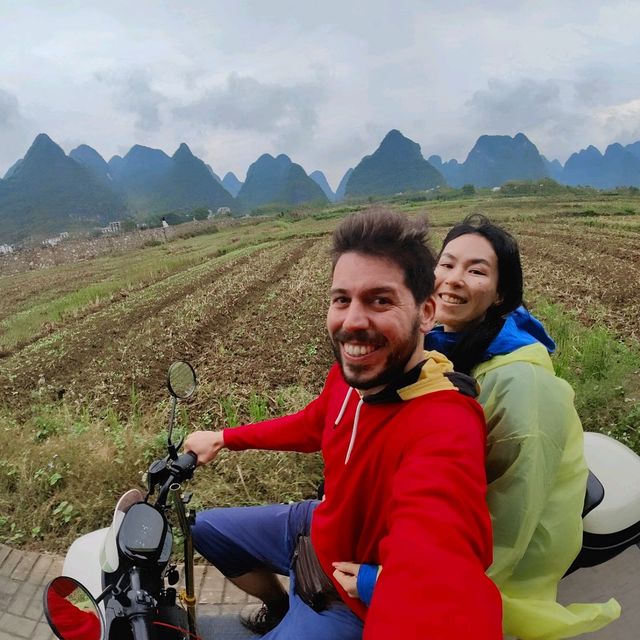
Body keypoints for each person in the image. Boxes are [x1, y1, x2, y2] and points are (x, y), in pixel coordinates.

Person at [185, 208, 502, 639]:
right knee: (206, 530)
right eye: (342, 299)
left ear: (426, 312)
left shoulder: (444, 422)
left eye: (380, 300)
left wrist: (379, 584)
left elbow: (443, 580)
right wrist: (225, 437)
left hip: (346, 597)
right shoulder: (355, 374)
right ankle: (278, 608)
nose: (352, 321)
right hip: (316, 526)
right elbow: (314, 423)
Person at [333, 214, 621, 640]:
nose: (453, 279)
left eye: (476, 270)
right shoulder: (440, 339)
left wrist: (391, 581)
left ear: (501, 292)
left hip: (514, 542)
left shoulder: (521, 382)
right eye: (446, 264)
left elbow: (509, 514)